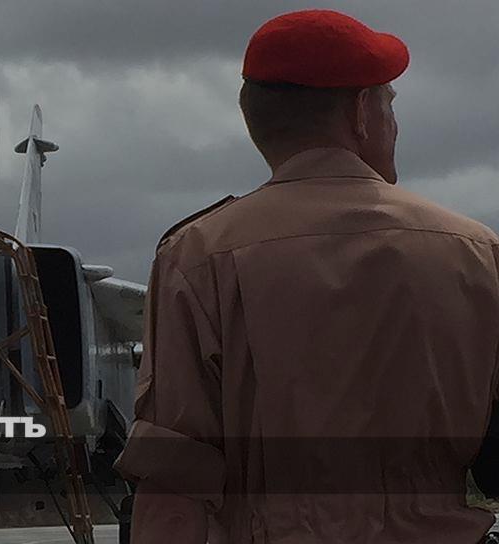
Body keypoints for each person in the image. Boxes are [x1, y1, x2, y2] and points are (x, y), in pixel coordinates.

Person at [115, 9, 499, 544]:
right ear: (360, 114)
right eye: (389, 103)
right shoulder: (478, 252)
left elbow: (173, 480)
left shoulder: (196, 257)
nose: (395, 124)